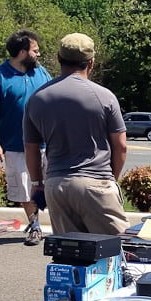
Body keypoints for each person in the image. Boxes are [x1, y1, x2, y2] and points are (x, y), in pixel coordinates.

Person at [23, 32, 128, 236]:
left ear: (58, 58)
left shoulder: (36, 99)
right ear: (91, 63)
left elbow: (31, 148)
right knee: (115, 251)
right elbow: (121, 146)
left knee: (71, 254)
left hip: (57, 185)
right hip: (96, 182)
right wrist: (111, 179)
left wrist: (37, 184)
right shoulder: (104, 97)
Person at [0, 29, 51, 245]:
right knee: (25, 188)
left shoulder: (41, 73)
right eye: (35, 51)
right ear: (22, 52)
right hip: (15, 145)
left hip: (47, 143)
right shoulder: (1, 76)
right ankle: (35, 225)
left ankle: (61, 226)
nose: (38, 54)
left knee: (51, 185)